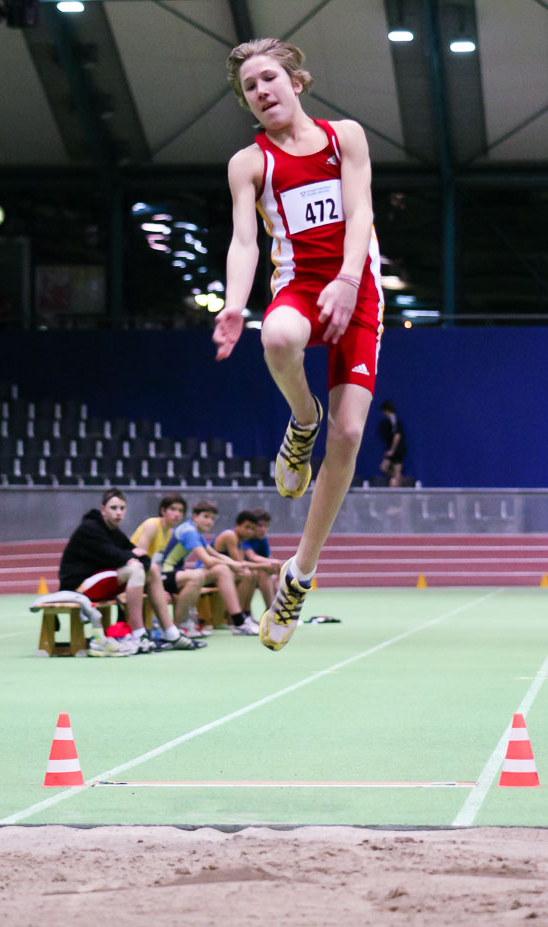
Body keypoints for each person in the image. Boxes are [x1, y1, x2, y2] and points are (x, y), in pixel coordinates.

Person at [213, 38, 384, 651]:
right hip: (300, 287)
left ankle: (299, 574)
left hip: (356, 289)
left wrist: (347, 279)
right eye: (250, 88)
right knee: (278, 333)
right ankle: (301, 420)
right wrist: (235, 304)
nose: (261, 91)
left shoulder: (347, 138)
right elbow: (243, 243)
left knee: (351, 435)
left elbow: (360, 212)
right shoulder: (249, 163)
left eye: (269, 79)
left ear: (296, 81)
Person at [58, 488, 189, 656]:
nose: (118, 513)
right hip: (78, 586)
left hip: (100, 580)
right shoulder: (90, 528)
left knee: (153, 570)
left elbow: (138, 556)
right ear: (103, 510)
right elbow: (112, 555)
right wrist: (131, 556)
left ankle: (171, 634)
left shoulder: (114, 531)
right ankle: (138, 635)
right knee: (136, 569)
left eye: (122, 508)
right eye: (114, 508)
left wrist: (132, 556)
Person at [160, 500, 260, 635]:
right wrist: (233, 564)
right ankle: (179, 626)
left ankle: (239, 619)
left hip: (176, 573)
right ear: (195, 516)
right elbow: (207, 560)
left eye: (212, 518)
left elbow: (214, 554)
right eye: (206, 517)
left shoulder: (195, 531)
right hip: (165, 574)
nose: (210, 522)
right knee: (207, 573)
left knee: (226, 571)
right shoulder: (189, 531)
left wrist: (235, 565)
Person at [130, 493, 208, 641]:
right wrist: (157, 587)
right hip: (134, 575)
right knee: (196, 576)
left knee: (195, 579)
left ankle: (176, 627)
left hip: (151, 575)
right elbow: (139, 558)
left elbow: (156, 563)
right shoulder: (152, 525)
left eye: (180, 511)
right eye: (173, 509)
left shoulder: (169, 531)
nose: (177, 514)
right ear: (163, 510)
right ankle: (173, 628)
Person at [242, 507, 281, 609]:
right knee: (262, 572)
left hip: (248, 571)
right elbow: (252, 557)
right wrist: (275, 562)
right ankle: (271, 611)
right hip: (240, 572)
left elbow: (267, 558)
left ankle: (279, 611)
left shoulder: (262, 539)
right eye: (260, 526)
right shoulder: (242, 536)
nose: (263, 529)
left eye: (266, 526)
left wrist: (276, 568)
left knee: (272, 576)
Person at [379, 401, 406, 487]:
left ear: (386, 410)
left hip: (398, 451)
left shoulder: (395, 421)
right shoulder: (390, 422)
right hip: (392, 450)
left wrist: (392, 450)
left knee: (397, 473)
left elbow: (397, 436)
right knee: (384, 467)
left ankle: (398, 485)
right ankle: (396, 478)